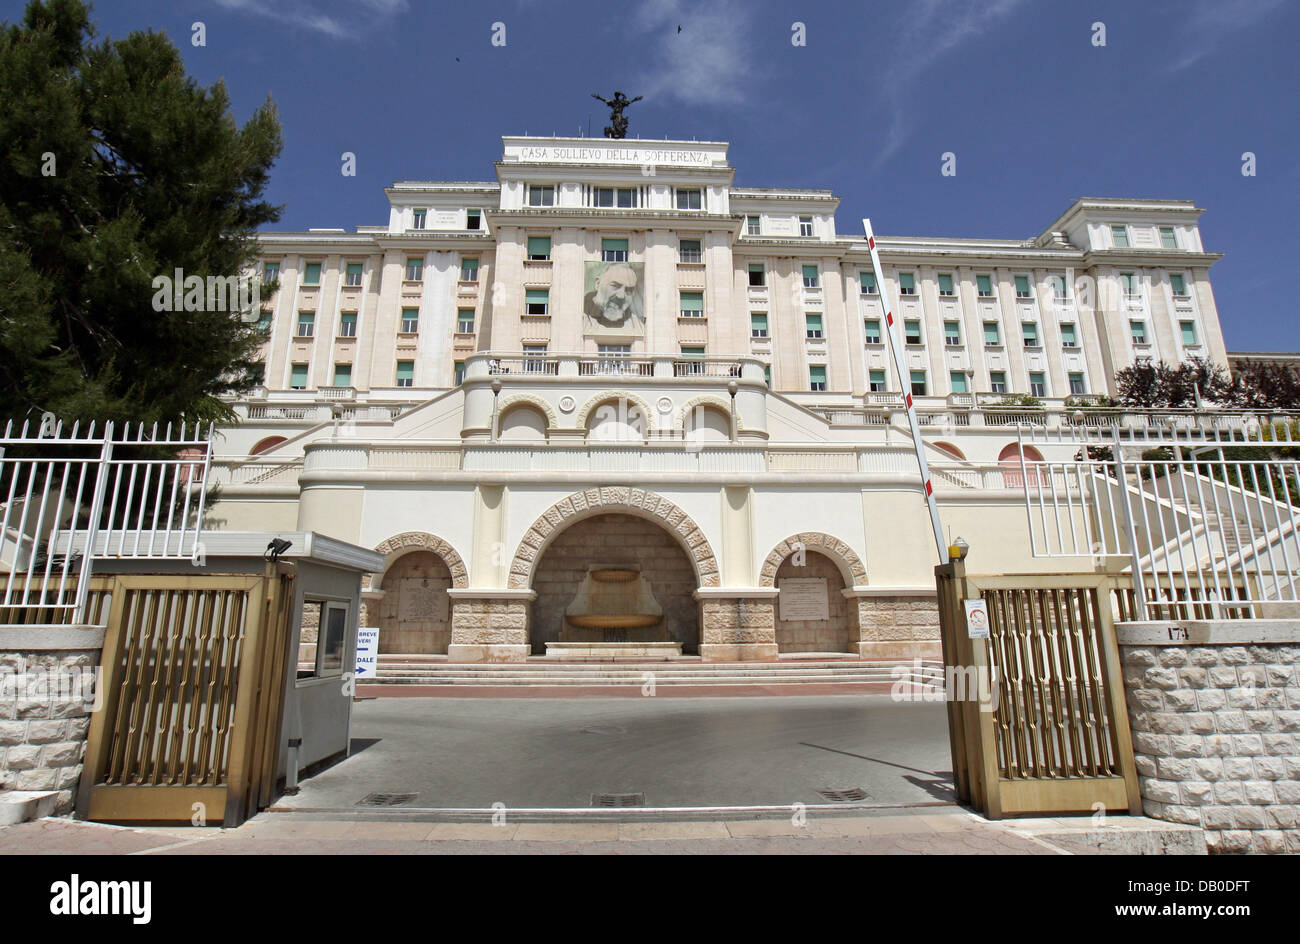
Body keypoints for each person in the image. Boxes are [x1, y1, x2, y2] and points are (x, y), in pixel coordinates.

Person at [583, 263, 644, 335]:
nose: (621, 296)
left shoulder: (638, 326)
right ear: (597, 284)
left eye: (629, 290)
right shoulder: (577, 315)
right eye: (615, 286)